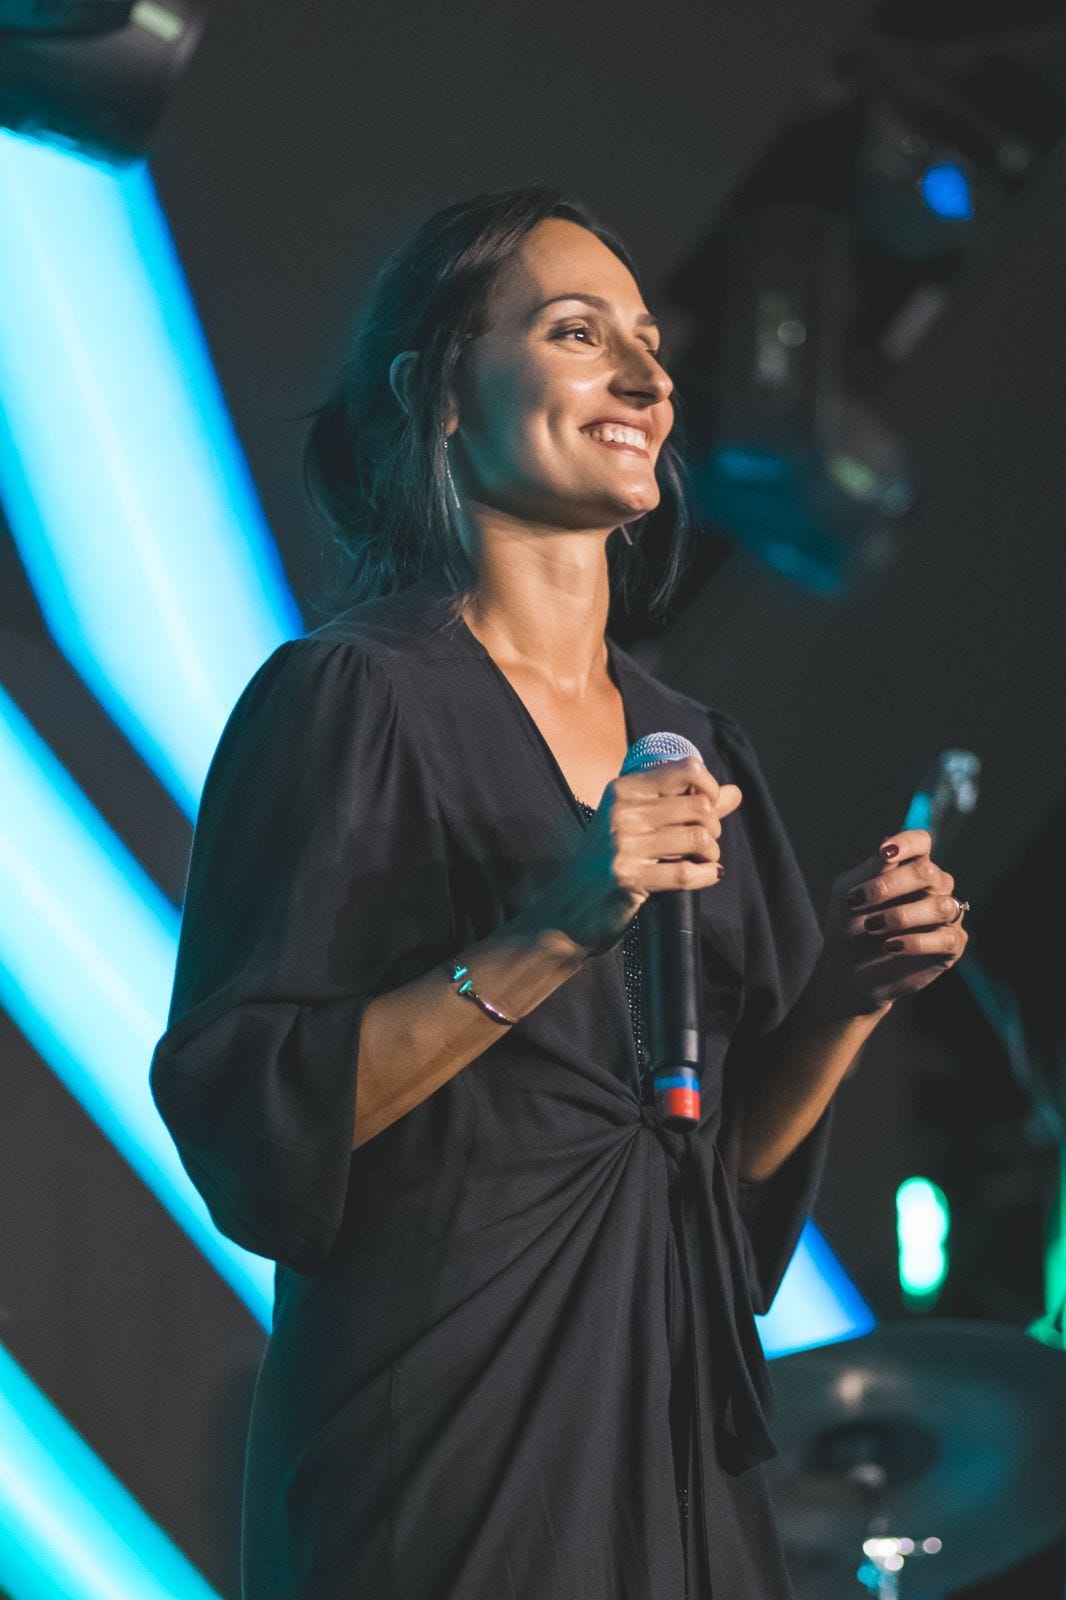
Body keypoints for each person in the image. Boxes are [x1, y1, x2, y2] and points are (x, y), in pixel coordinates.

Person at [149, 186, 969, 1600]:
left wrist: (846, 991)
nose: (647, 378)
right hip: (445, 1458)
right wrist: (553, 929)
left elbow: (719, 1190)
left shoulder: (706, 751)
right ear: (438, 392)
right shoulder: (351, 699)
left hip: (677, 1457)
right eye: (579, 333)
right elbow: (248, 1119)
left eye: (649, 341)